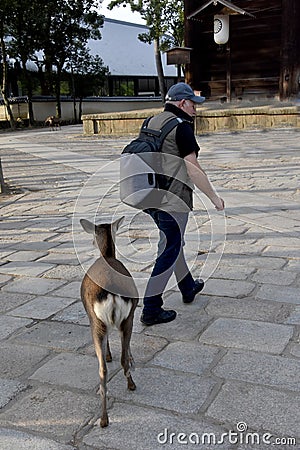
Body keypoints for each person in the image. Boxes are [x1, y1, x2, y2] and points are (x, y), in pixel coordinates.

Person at [140, 82, 225, 326]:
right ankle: (151, 308)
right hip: (173, 200)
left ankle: (187, 287)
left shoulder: (151, 121)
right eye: (193, 105)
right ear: (181, 103)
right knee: (168, 250)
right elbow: (193, 169)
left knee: (172, 243)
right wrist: (214, 198)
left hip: (149, 196)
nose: (196, 110)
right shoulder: (182, 128)